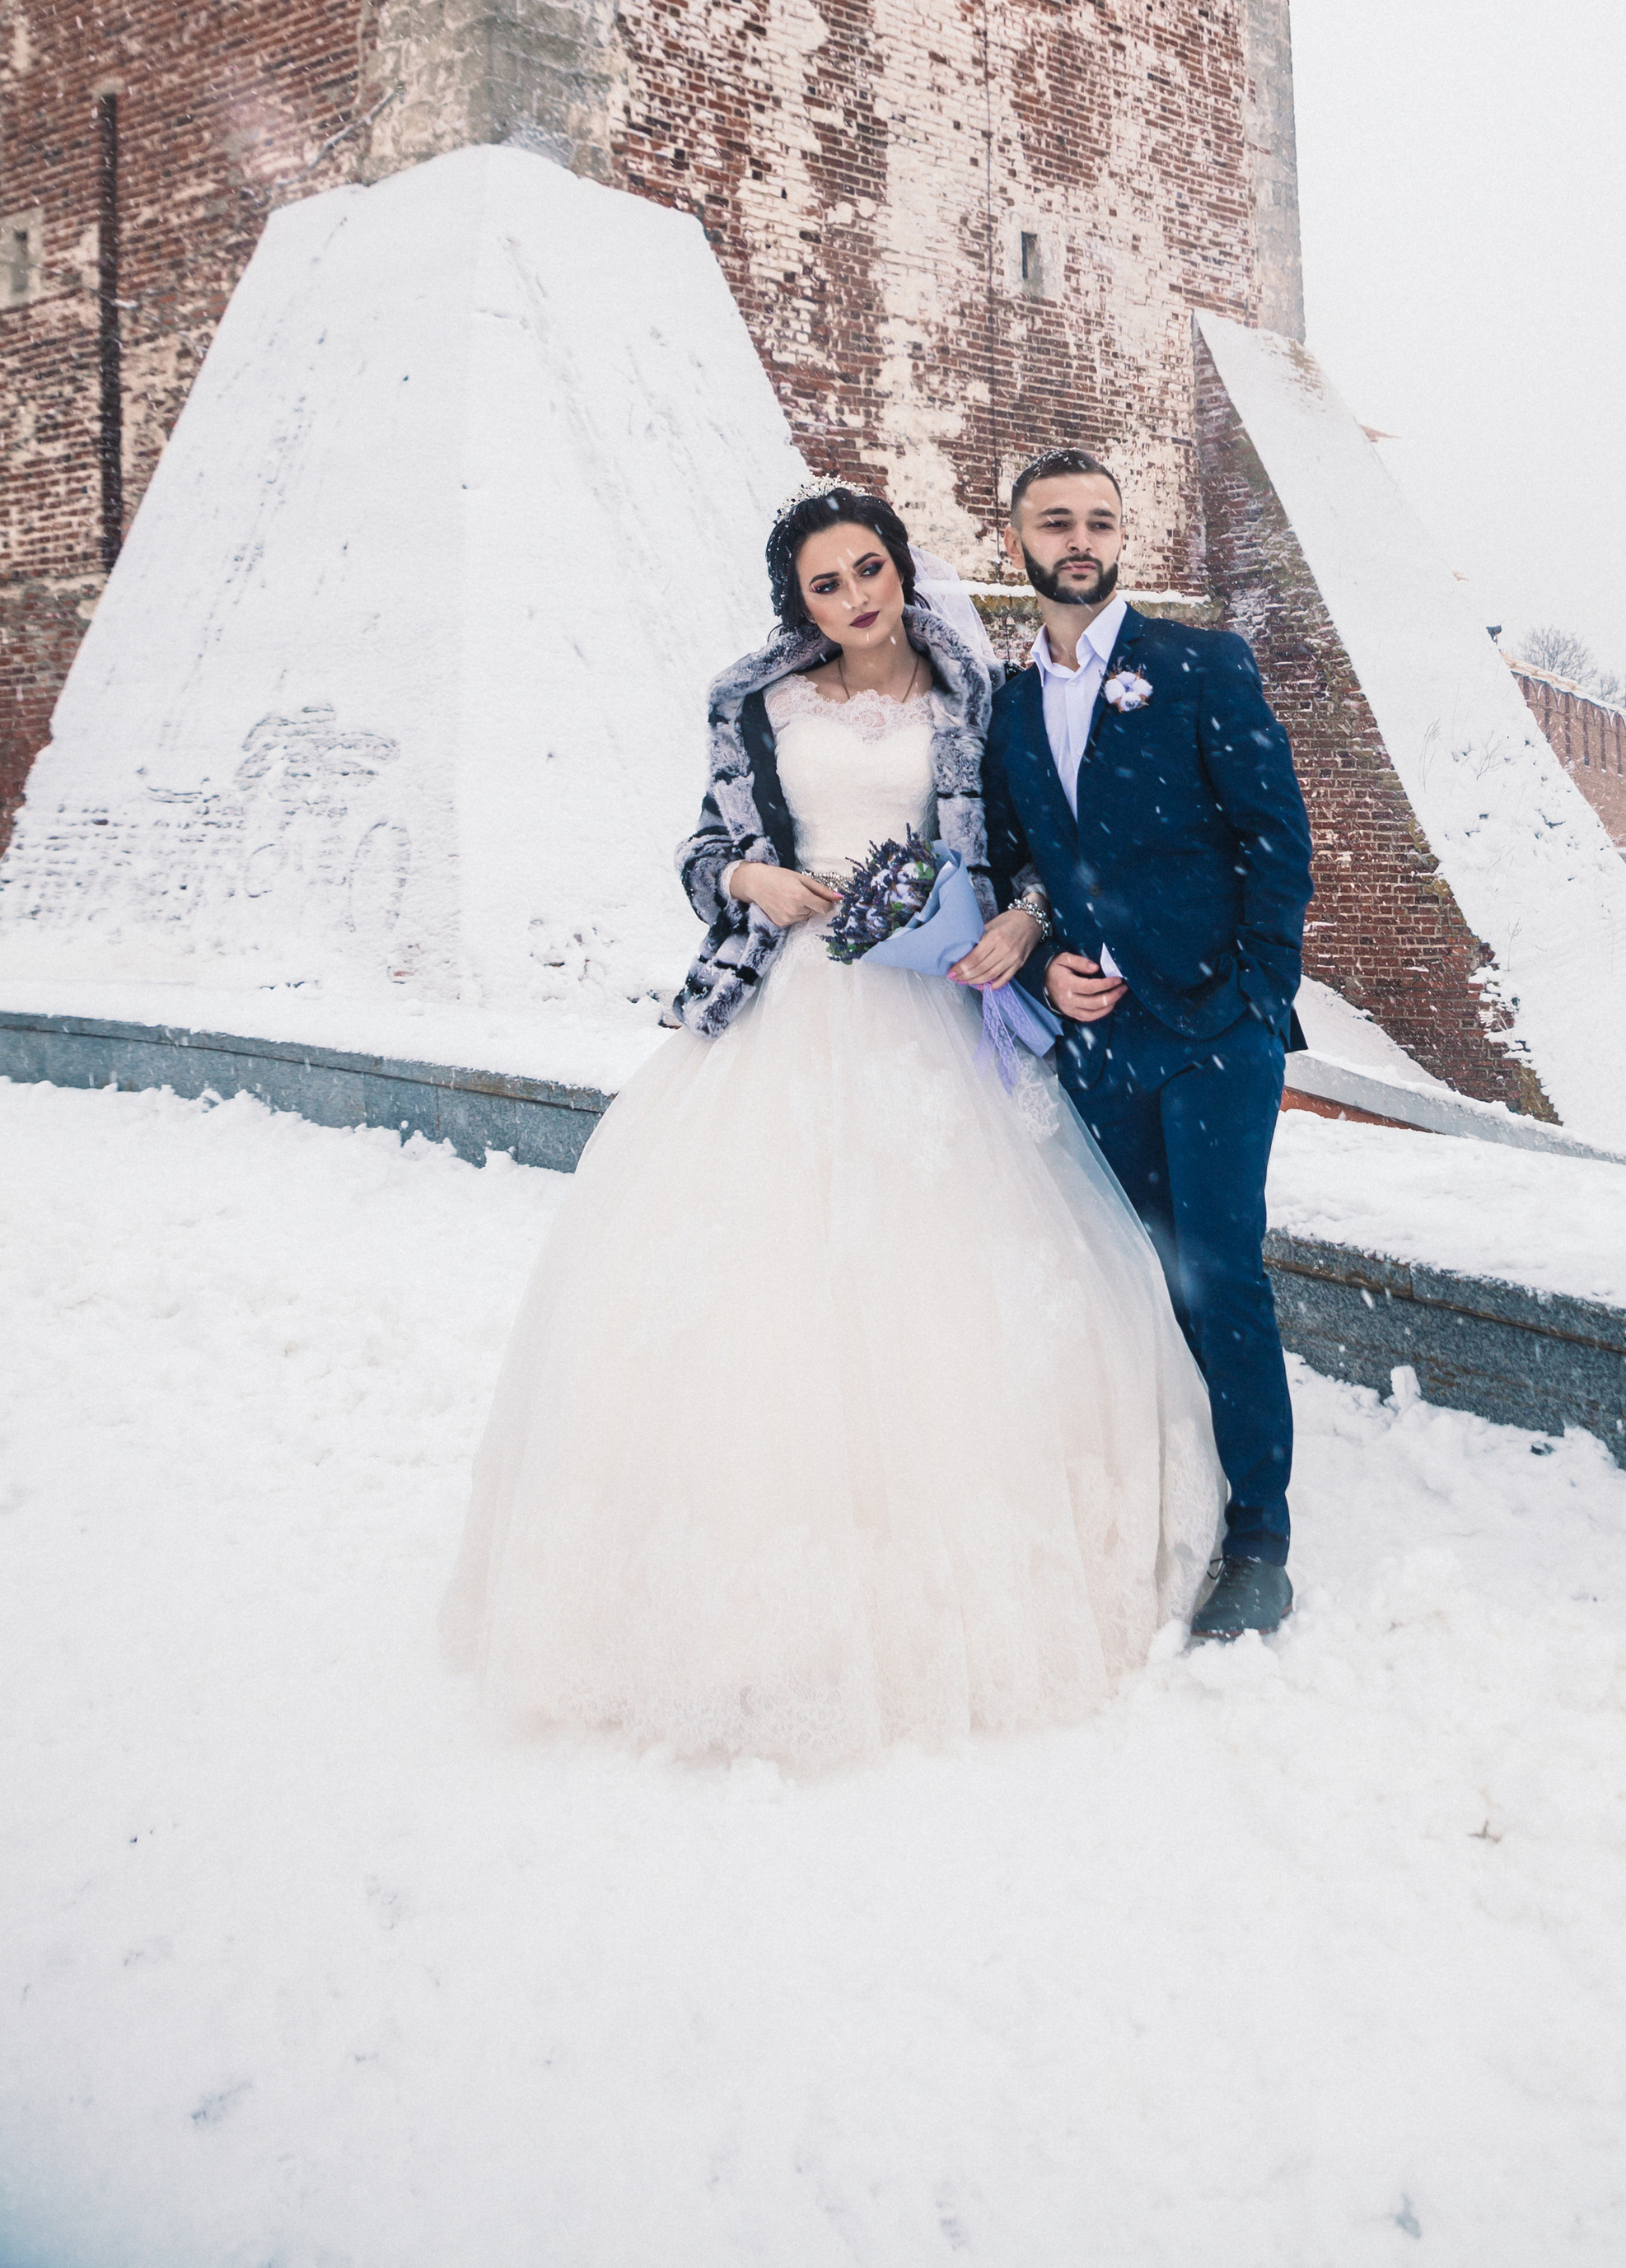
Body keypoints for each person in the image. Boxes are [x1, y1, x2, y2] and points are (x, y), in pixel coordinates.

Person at [442, 483, 1222, 1772]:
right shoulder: (754, 703)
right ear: (797, 604)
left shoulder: (977, 698)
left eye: (870, 569)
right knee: (754, 1294)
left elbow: (1036, 850)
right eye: (827, 584)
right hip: (789, 1001)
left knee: (947, 1290)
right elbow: (704, 853)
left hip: (930, 1002)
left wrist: (1019, 921)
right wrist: (746, 875)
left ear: (901, 568)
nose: (857, 598)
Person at [981, 450, 1313, 1640]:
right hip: (1097, 1040)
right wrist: (1042, 963)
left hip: (1216, 1028)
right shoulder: (1008, 705)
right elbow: (1019, 857)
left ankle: (1260, 1537)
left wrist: (1259, 994)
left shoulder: (1199, 664)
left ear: (1124, 538)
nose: (1080, 539)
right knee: (1134, 1274)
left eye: (1100, 522)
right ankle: (1176, 1493)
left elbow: (1277, 834)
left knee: (1222, 1273)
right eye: (1055, 521)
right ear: (1017, 539)